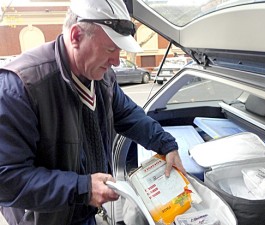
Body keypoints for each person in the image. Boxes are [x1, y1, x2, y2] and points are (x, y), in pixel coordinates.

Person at [0, 0, 186, 224]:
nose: (117, 61)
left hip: (85, 212)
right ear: (76, 36)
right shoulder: (21, 87)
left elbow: (127, 113)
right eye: (110, 49)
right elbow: (7, 179)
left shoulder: (102, 77)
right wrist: (83, 188)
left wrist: (165, 144)